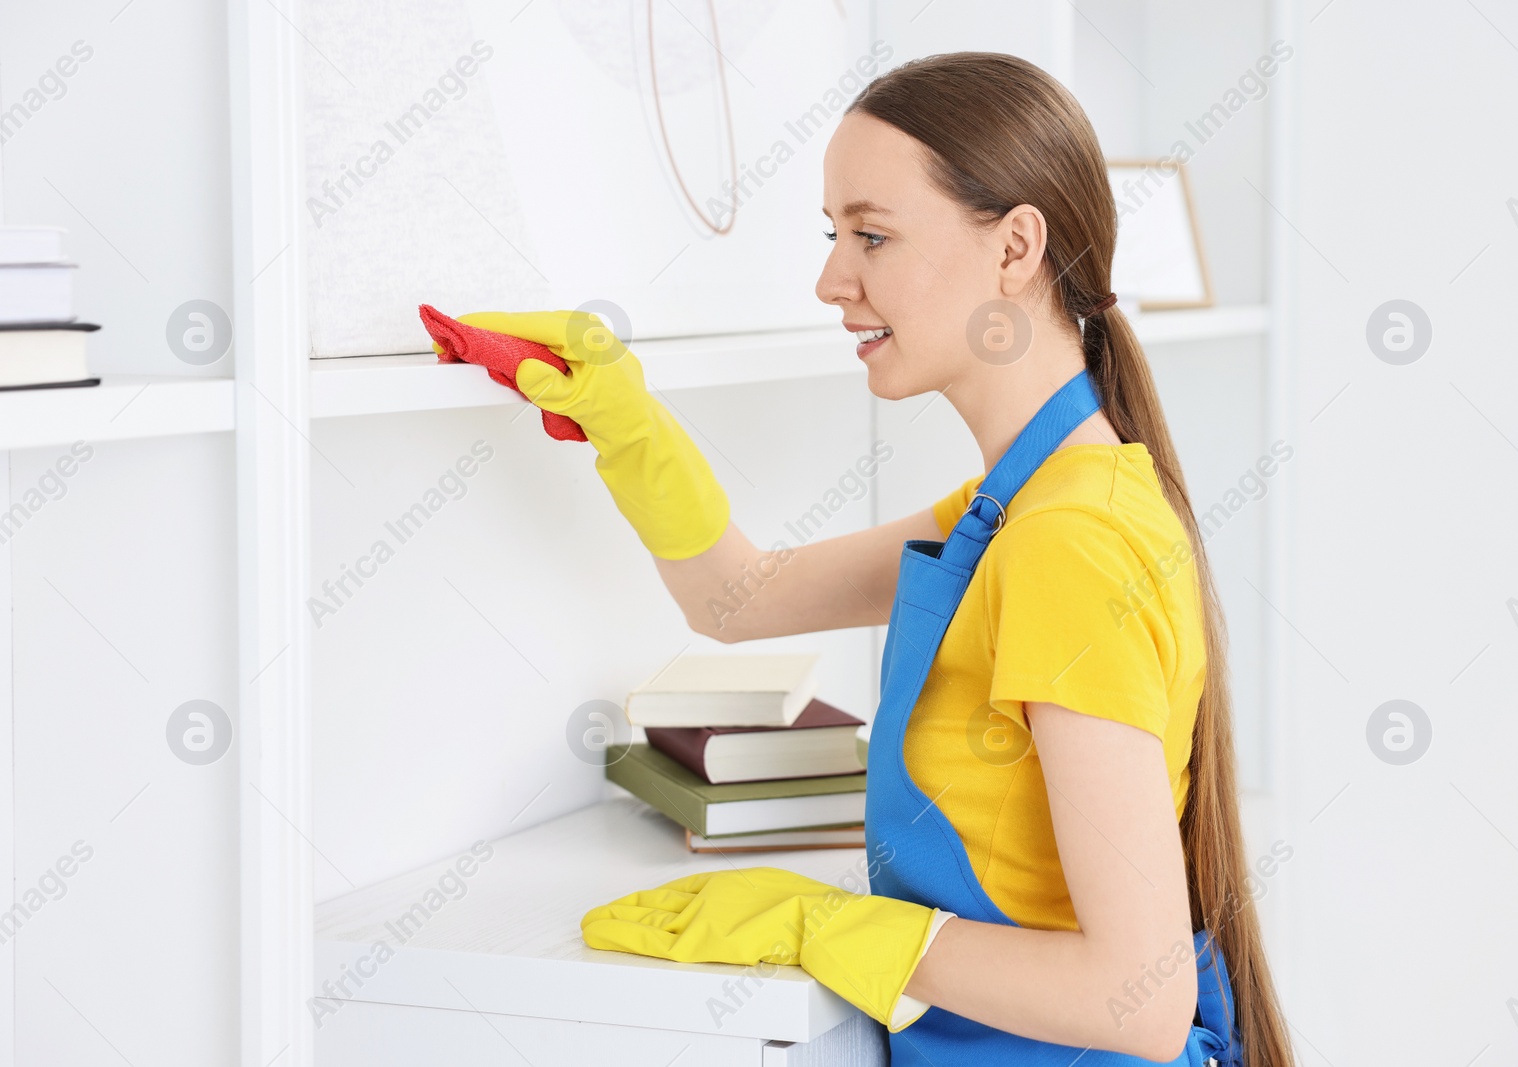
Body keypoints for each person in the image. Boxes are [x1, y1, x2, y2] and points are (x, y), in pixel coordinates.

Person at [437, 51, 1294, 1067]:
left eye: (871, 235)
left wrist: (821, 923)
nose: (831, 279)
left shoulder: (1071, 543)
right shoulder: (1011, 507)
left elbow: (1134, 1002)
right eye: (833, 234)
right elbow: (736, 599)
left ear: (1016, 245)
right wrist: (626, 419)